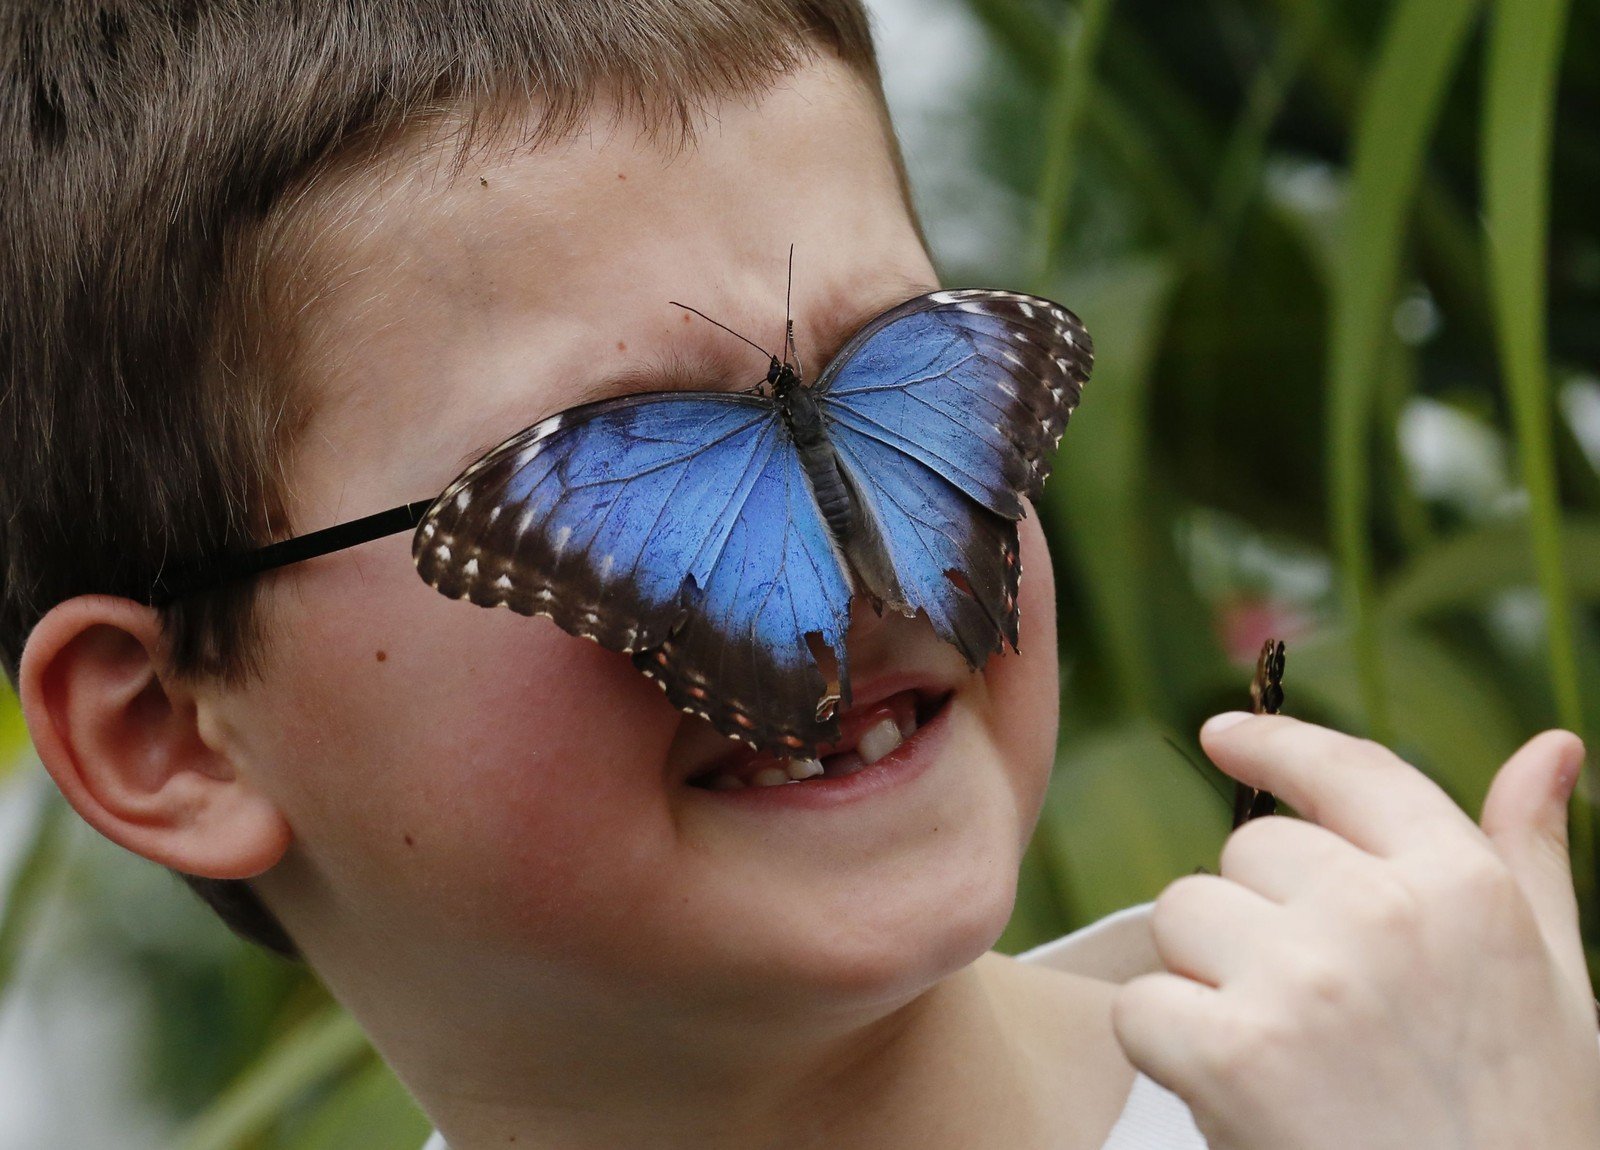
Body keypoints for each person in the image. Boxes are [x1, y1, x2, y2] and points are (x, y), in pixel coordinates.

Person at [4, 4, 1597, 1148]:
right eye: (613, 446)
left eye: (900, 357)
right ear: (172, 732)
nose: (872, 581)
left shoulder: (1434, 1085)